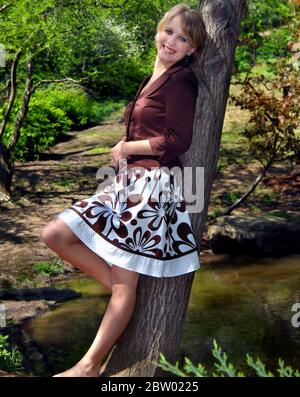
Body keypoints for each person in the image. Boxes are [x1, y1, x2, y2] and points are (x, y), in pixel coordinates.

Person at [41, 3, 206, 377]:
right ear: (158, 32)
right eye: (169, 32)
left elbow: (178, 140)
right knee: (56, 233)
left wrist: (126, 148)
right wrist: (124, 150)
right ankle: (122, 295)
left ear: (192, 49)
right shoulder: (152, 78)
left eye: (183, 38)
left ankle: (88, 366)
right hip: (126, 183)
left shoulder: (181, 79)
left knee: (121, 279)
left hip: (151, 187)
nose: (172, 41)